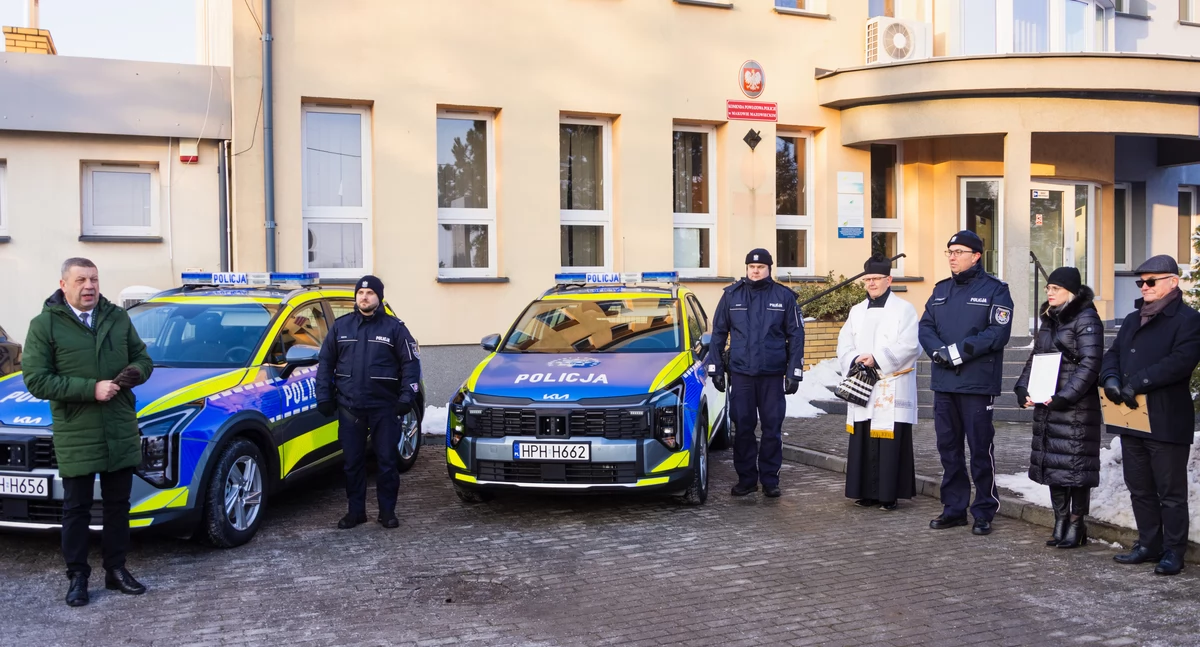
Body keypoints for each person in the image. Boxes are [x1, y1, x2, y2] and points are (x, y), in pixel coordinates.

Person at [22, 258, 154, 607]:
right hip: (77, 430)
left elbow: (144, 359)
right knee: (77, 508)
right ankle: (78, 577)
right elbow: (36, 379)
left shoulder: (117, 317)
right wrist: (90, 388)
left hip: (119, 426)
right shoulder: (45, 325)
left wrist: (132, 375)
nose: (89, 286)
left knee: (117, 507)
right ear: (63, 285)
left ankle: (116, 571)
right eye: (80, 280)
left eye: (94, 279)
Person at [1100, 254, 1200, 576]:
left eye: (1151, 281)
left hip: (1166, 419)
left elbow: (1181, 361)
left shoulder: (1188, 319)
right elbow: (1112, 354)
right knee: (1139, 486)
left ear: (1173, 282)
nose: (1144, 286)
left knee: (1171, 492)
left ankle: (1173, 552)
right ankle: (1148, 544)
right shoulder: (1132, 319)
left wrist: (1138, 382)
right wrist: (1111, 379)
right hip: (1132, 419)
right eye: (1140, 281)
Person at [918, 230, 1013, 536]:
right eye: (949, 252)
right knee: (948, 449)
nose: (952, 257)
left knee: (980, 450)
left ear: (976, 256)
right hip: (944, 383)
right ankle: (954, 508)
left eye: (959, 252)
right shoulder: (941, 290)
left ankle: (984, 509)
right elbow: (926, 326)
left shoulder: (996, 290)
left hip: (976, 383)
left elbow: (997, 334)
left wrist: (957, 352)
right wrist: (938, 352)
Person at [316, 275, 421, 530]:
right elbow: (326, 364)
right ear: (356, 297)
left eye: (370, 293)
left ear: (379, 297)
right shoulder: (341, 327)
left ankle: (387, 512)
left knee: (386, 462)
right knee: (352, 463)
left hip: (384, 407)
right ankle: (356, 512)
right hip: (350, 406)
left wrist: (407, 397)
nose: (364, 297)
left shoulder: (395, 329)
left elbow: (410, 365)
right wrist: (324, 396)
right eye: (360, 293)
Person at [1013, 267, 1103, 549]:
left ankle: (1076, 524)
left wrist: (1065, 396)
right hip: (1049, 403)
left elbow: (1090, 364)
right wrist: (1022, 388)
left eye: (1056, 288)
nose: (1049, 293)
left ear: (1071, 292)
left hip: (1075, 408)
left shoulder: (1086, 318)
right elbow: (1036, 357)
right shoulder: (1049, 320)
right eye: (1048, 288)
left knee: (1075, 469)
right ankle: (1060, 520)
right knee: (1055, 466)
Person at [706, 248, 805, 498]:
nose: (756, 270)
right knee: (743, 428)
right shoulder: (732, 295)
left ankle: (770, 480)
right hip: (742, 375)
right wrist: (715, 366)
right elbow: (718, 333)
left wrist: (794, 371)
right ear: (747, 268)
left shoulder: (784, 297)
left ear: (770, 269)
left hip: (772, 376)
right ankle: (747, 479)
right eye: (752, 266)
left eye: (760, 267)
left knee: (772, 428)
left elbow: (796, 335)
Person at [836, 254, 920, 511]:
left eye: (876, 279)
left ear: (889, 280)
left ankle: (889, 495)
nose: (871, 284)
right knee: (863, 436)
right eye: (868, 279)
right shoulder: (856, 311)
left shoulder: (904, 309)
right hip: (863, 380)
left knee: (889, 439)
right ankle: (866, 492)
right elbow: (844, 342)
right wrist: (855, 358)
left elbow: (910, 345)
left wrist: (878, 358)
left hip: (890, 383)